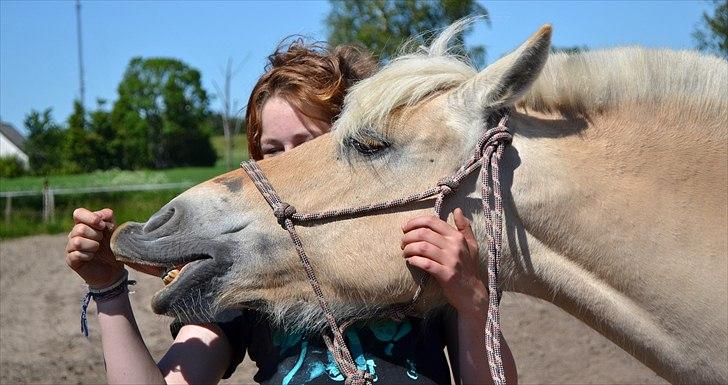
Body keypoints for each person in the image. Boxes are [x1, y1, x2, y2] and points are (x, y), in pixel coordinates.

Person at [65, 40, 517, 385]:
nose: (285, 169)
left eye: (307, 146)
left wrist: (472, 303)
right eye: (270, 152)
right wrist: (109, 291)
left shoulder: (417, 250)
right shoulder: (244, 273)